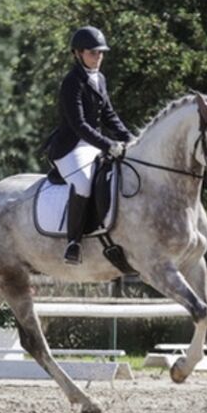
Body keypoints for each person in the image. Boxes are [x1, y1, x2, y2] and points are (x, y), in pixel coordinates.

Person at [46, 26, 132, 265]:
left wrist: (131, 139)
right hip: (71, 148)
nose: (98, 57)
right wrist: (108, 145)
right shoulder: (71, 82)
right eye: (93, 53)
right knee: (83, 182)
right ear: (78, 53)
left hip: (94, 145)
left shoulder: (100, 79)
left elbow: (109, 115)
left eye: (101, 53)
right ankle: (73, 243)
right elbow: (79, 124)